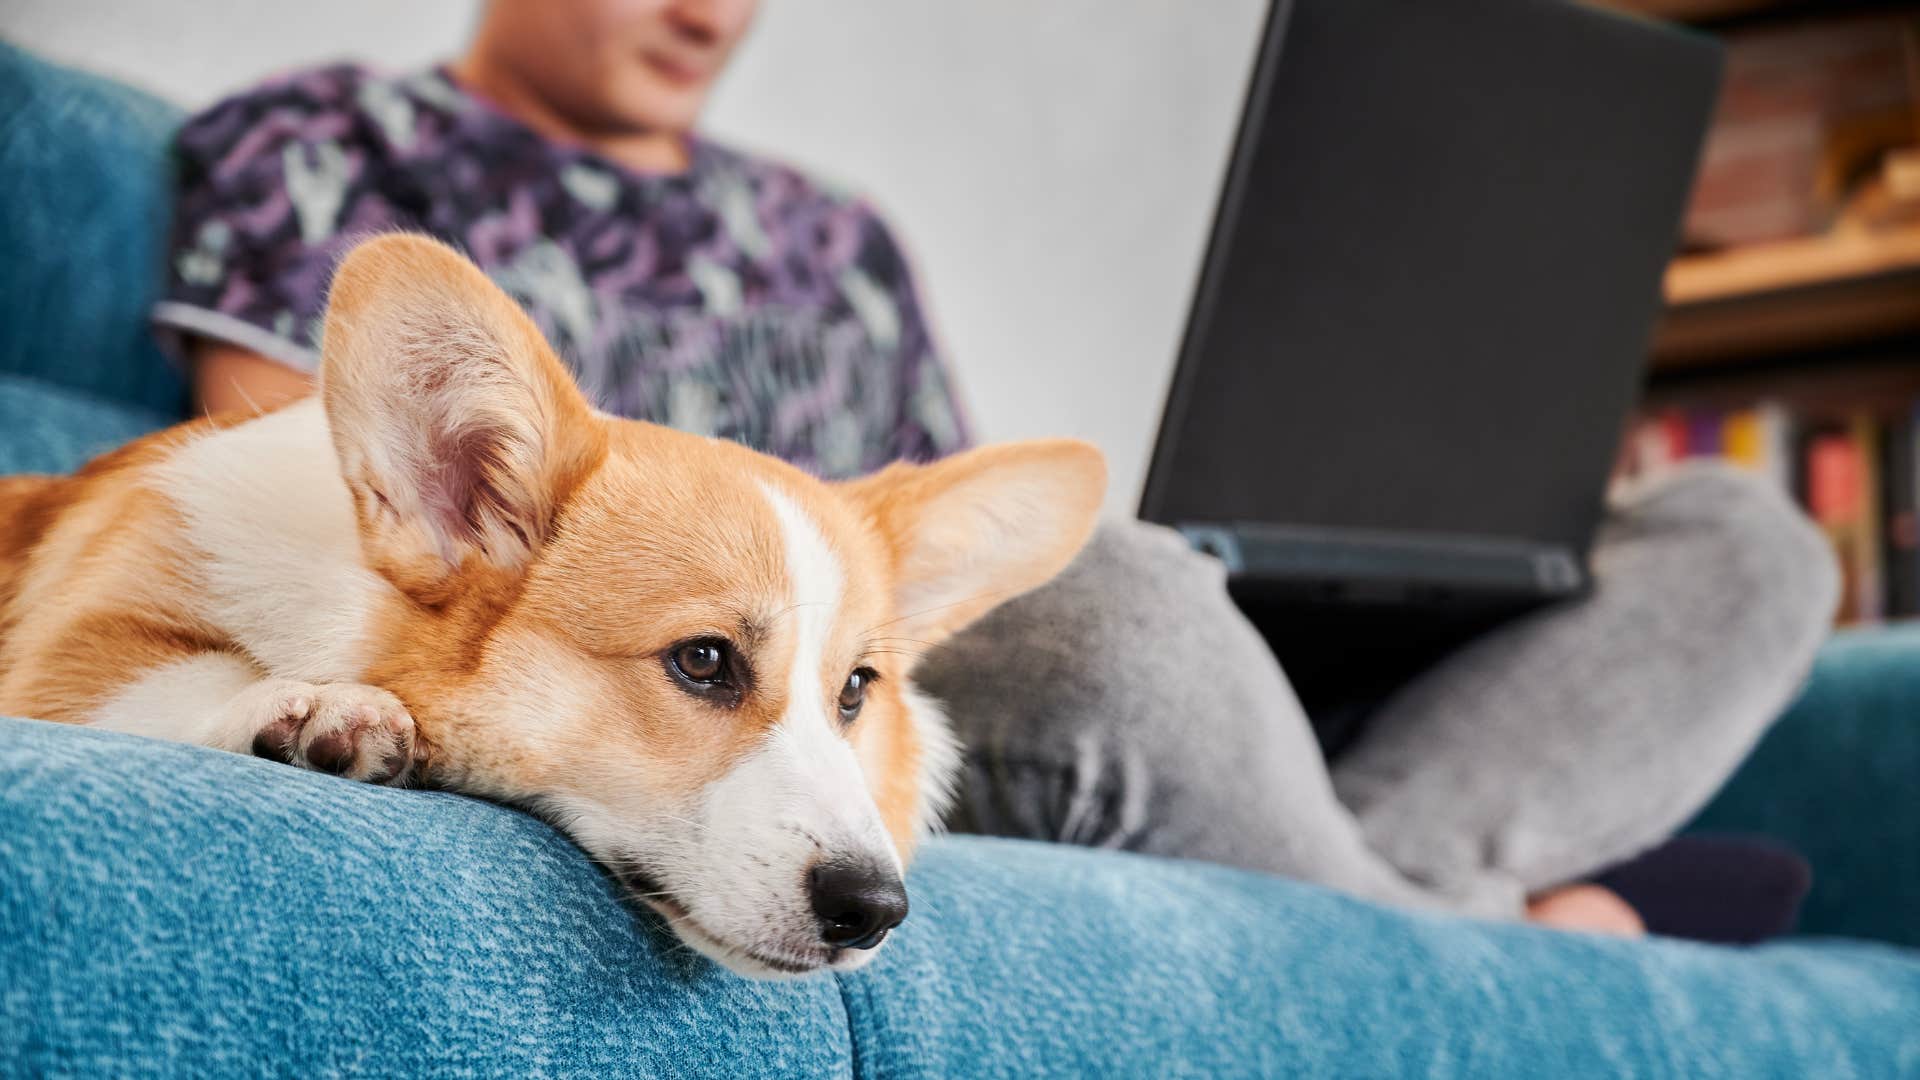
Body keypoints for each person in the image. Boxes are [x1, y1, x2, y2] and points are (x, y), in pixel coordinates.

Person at [156, 0, 1837, 938]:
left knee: (1748, 543)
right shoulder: (318, 147)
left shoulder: (839, 234)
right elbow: (326, 514)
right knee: (1131, 604)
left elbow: (934, 550)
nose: (709, 11)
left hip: (864, 660)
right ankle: (1502, 914)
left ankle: (1395, 871)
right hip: (670, 666)